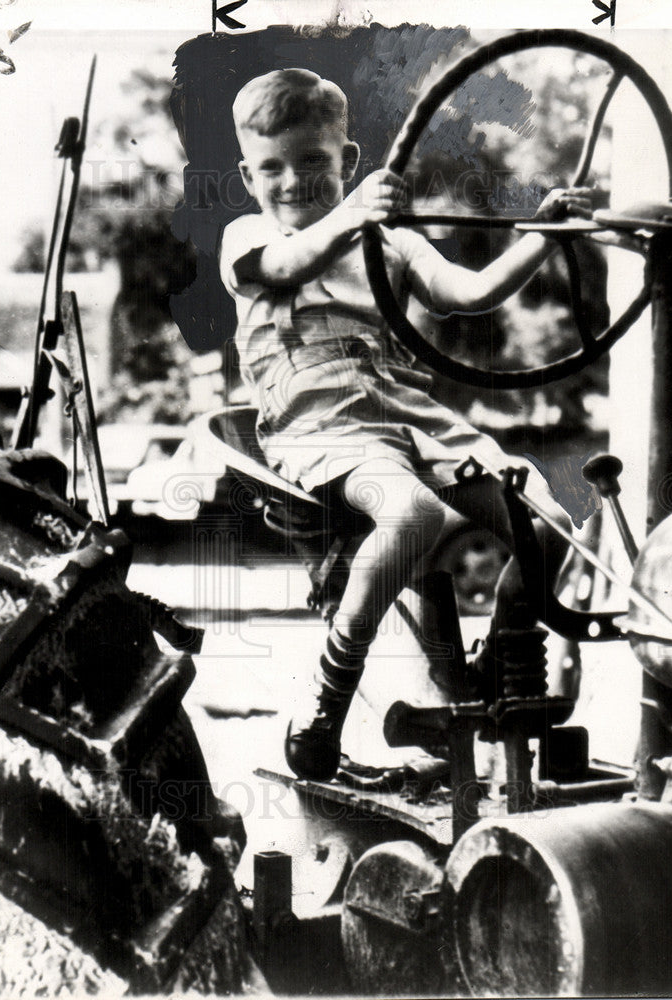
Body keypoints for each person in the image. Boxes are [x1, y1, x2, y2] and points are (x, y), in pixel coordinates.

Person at [219, 68, 591, 781]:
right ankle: (329, 693)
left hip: (407, 414)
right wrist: (352, 215)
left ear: (348, 161)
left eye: (312, 162)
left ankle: (498, 660)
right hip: (321, 424)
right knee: (413, 514)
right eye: (271, 167)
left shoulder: (390, 243)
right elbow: (294, 258)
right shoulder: (248, 237)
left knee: (546, 521)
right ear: (246, 174)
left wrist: (544, 234)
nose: (291, 181)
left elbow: (469, 293)